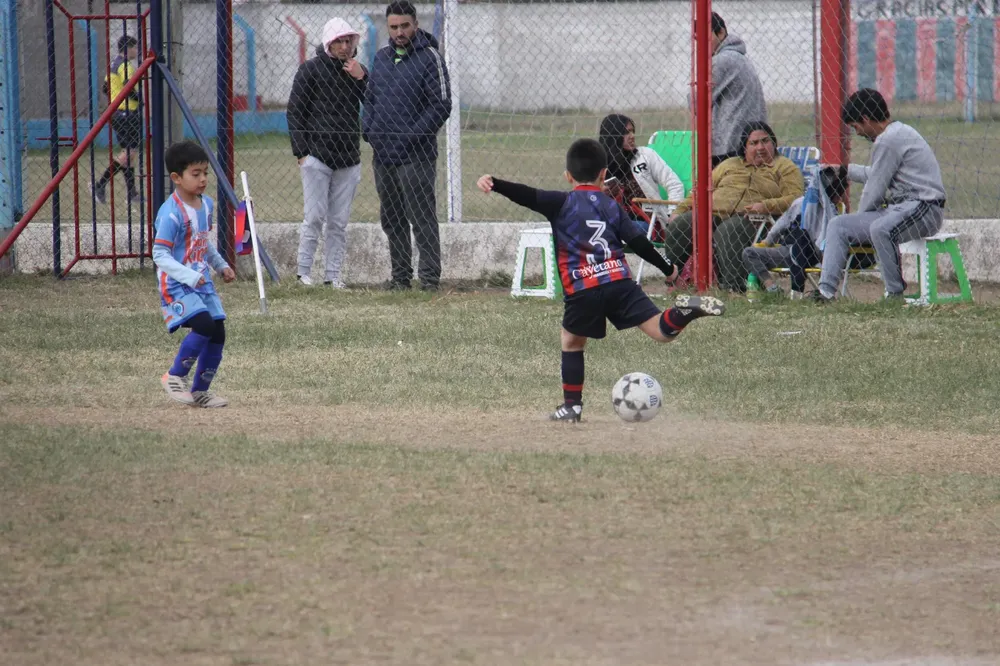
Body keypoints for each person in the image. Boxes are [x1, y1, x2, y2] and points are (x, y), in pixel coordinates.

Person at [476, 139, 725, 423]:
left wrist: (495, 183)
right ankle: (683, 311)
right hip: (619, 280)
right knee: (659, 331)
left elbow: (527, 194)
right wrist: (668, 268)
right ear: (604, 174)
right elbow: (639, 243)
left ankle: (572, 406)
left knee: (571, 342)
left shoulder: (560, 202)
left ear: (568, 176)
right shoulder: (610, 205)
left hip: (583, 288)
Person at [813, 88, 946, 302]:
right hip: (902, 209)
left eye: (856, 127)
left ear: (865, 119)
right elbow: (878, 174)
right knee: (838, 225)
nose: (858, 133)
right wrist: (844, 169)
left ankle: (894, 293)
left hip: (925, 208)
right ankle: (825, 292)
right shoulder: (894, 134)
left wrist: (860, 224)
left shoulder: (888, 140)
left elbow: (875, 188)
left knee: (879, 228)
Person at [363, 0, 451, 291]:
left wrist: (410, 137)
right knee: (392, 219)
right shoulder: (382, 58)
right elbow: (371, 98)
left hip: (416, 157)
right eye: (393, 27)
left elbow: (441, 106)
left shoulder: (430, 58)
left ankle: (428, 280)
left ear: (415, 24)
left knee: (421, 219)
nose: (399, 32)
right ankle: (401, 278)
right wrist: (369, 131)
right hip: (384, 156)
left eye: (404, 26)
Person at [661, 121, 804, 291]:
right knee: (681, 224)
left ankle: (733, 287)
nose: (760, 147)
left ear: (774, 143)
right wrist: (680, 210)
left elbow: (796, 199)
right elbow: (700, 191)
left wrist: (766, 205)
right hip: (713, 212)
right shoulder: (729, 164)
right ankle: (675, 280)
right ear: (744, 147)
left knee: (729, 230)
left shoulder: (785, 167)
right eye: (754, 143)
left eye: (766, 141)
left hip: (754, 218)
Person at [153, 141, 235, 408]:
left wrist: (221, 265)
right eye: (195, 174)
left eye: (205, 173)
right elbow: (160, 255)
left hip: (202, 283)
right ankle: (174, 376)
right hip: (177, 284)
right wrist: (188, 275)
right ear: (176, 178)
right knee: (203, 325)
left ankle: (200, 392)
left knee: (218, 332)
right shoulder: (171, 213)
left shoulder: (206, 205)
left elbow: (203, 241)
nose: (203, 179)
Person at [287, 18, 368, 288]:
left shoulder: (356, 71)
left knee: (338, 222)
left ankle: (333, 276)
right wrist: (302, 152)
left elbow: (374, 101)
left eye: (348, 41)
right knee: (313, 218)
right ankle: (303, 274)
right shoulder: (310, 70)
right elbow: (295, 111)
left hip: (348, 158)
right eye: (339, 42)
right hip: (317, 157)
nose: (344, 47)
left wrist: (363, 78)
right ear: (328, 43)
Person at [742, 166, 849, 298]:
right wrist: (768, 241)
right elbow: (782, 222)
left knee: (801, 239)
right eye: (838, 194)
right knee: (750, 253)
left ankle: (807, 290)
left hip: (817, 255)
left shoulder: (835, 212)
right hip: (790, 251)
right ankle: (772, 289)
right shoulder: (801, 203)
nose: (839, 198)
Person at [598, 114, 685, 230]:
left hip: (647, 223)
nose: (632, 136)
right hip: (610, 220)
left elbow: (674, 184)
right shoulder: (598, 164)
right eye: (626, 132)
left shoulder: (645, 155)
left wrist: (672, 215)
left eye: (632, 131)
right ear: (612, 136)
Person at [707, 12, 767, 168]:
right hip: (747, 142)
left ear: (720, 33)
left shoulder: (721, 61)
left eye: (706, 38)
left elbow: (696, 103)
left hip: (729, 148)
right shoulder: (740, 57)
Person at [93, 35, 141, 205]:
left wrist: (115, 98)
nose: (137, 50)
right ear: (128, 48)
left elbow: (105, 88)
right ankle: (100, 184)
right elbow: (129, 86)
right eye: (135, 47)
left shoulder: (114, 64)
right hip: (127, 113)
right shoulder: (125, 65)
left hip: (116, 112)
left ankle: (132, 193)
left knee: (129, 153)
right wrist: (139, 98)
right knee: (129, 153)